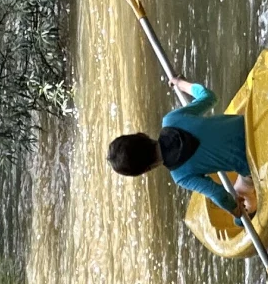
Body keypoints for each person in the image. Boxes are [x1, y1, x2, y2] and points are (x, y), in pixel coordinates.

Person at [107, 79, 257, 218]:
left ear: (146, 170)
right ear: (142, 135)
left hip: (251, 160)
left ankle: (250, 209)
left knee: (240, 189)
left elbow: (217, 193)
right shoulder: (171, 120)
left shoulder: (181, 176)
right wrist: (181, 84)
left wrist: (234, 209)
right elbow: (210, 97)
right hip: (250, 124)